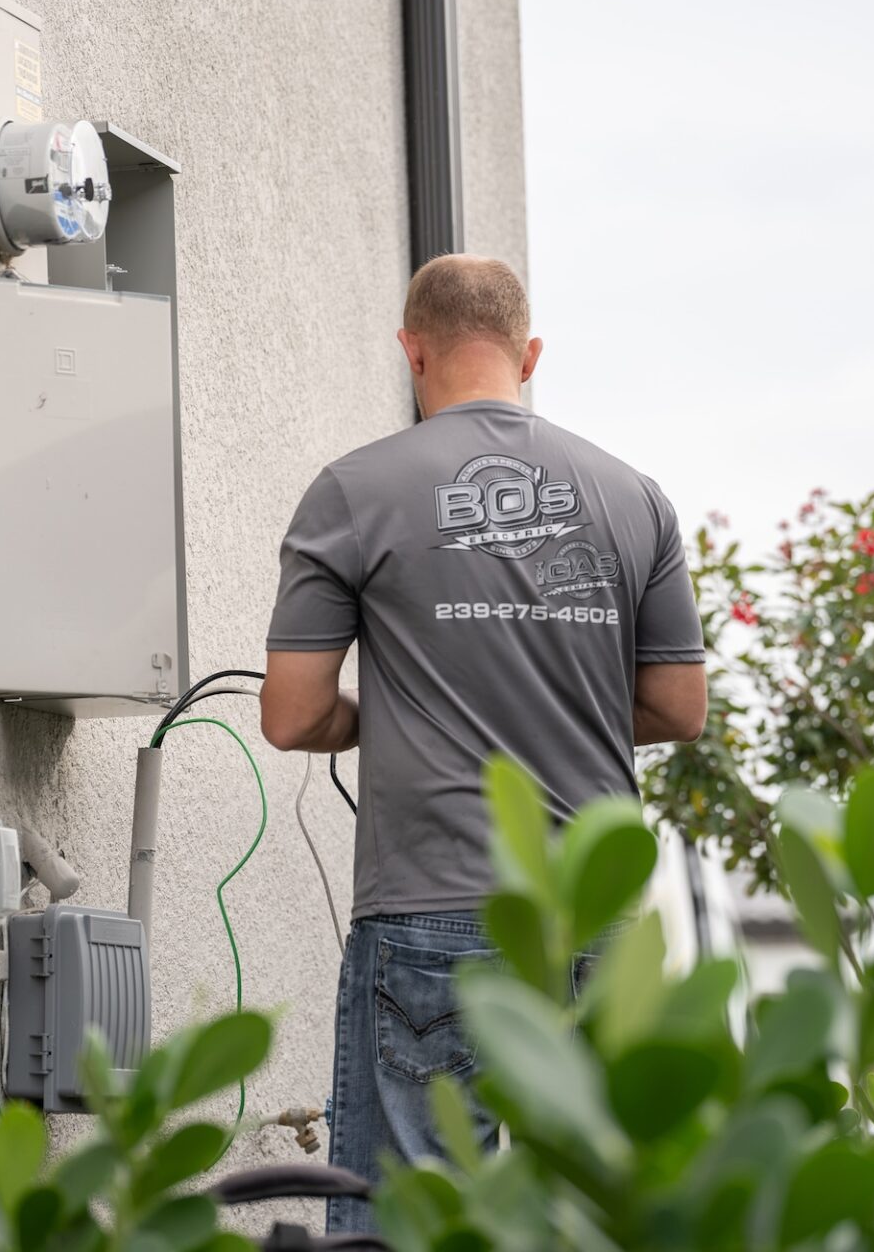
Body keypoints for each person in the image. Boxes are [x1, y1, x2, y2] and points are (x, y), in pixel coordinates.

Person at [259, 253, 707, 1233]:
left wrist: (391, 713)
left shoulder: (353, 490)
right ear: (529, 352)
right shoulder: (634, 497)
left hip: (430, 912)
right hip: (590, 920)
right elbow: (678, 706)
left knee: (418, 1221)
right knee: (591, 1217)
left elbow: (292, 713)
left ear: (410, 349)